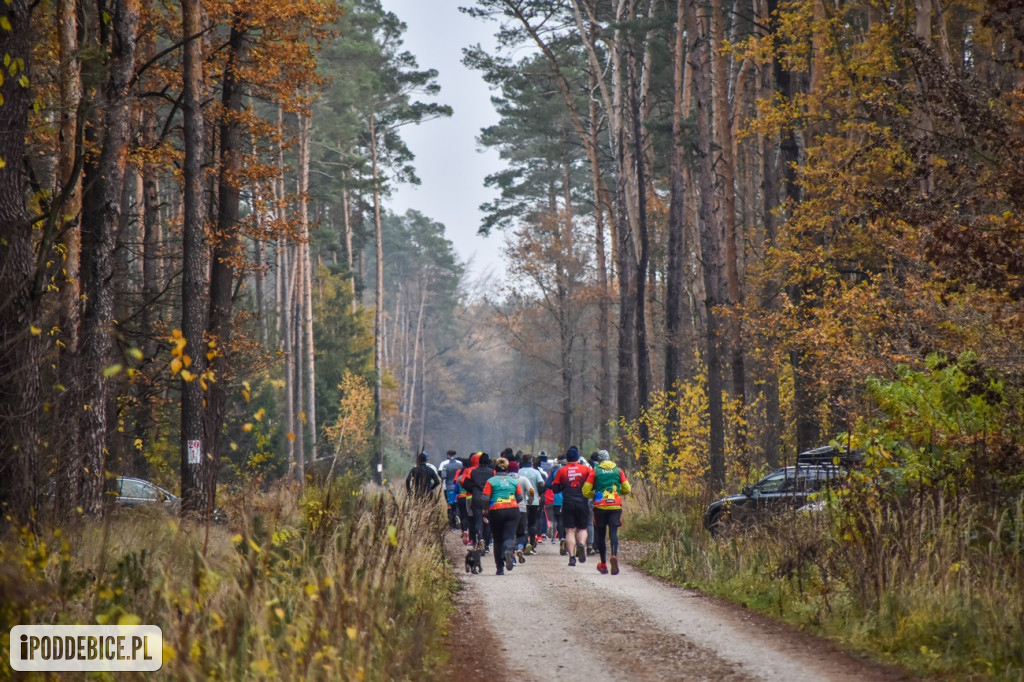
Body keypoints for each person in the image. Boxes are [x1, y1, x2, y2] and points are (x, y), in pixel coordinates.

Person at [582, 449, 632, 575]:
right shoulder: (618, 470)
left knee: (601, 534)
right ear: (609, 458)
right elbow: (627, 488)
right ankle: (614, 556)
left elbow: (585, 490)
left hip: (600, 506)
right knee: (613, 533)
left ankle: (603, 564)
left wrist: (594, 496)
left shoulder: (595, 471)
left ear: (598, 460)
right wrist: (618, 493)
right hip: (615, 505)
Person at [482, 457, 523, 575]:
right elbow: (519, 497)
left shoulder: (491, 481)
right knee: (509, 537)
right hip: (513, 510)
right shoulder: (514, 481)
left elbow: (485, 498)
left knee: (497, 539)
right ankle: (508, 551)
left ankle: (500, 569)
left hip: (496, 511)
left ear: (495, 469)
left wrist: (485, 509)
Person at [551, 446, 591, 566]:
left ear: (567, 459)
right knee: (583, 528)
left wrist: (564, 486)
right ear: (578, 458)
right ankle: (581, 544)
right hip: (582, 502)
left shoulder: (561, 471)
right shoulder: (586, 470)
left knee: (569, 531)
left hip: (567, 502)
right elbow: (591, 484)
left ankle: (572, 557)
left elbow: (555, 488)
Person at [467, 452, 496, 553]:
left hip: (476, 498)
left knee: (478, 520)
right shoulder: (492, 472)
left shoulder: (474, 472)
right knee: (487, 522)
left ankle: (479, 538)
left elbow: (465, 483)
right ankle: (486, 544)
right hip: (488, 499)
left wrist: (472, 489)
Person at [517, 454, 546, 552]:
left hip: (521, 501)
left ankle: (522, 544)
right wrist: (538, 493)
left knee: (523, 524)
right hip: (534, 501)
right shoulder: (536, 472)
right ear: (531, 462)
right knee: (533, 523)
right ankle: (532, 545)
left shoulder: (518, 472)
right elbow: (542, 485)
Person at [439, 450, 463, 531]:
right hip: (458, 488)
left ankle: (453, 525)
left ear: (448, 456)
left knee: (451, 506)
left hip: (449, 488)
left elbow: (443, 476)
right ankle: (459, 520)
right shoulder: (460, 465)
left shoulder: (445, 466)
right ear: (455, 455)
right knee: (458, 505)